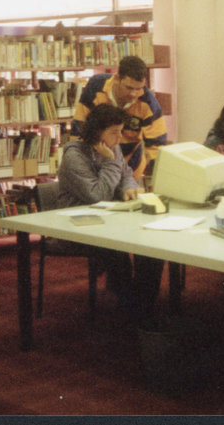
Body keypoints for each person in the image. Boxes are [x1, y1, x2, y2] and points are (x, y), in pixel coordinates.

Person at [57, 103, 164, 318]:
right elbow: (98, 195)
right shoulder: (74, 157)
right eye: (114, 132)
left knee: (151, 248)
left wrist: (130, 189)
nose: (120, 137)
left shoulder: (111, 148)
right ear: (97, 132)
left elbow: (126, 175)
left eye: (121, 131)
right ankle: (132, 308)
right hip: (78, 223)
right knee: (115, 249)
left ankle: (141, 305)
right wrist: (109, 162)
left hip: (106, 218)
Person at [71, 55, 167, 182]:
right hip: (95, 165)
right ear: (117, 78)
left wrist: (159, 181)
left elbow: (157, 147)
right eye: (129, 88)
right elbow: (79, 128)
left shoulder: (148, 103)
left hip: (130, 169)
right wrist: (79, 166)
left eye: (139, 88)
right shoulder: (96, 87)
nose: (134, 94)